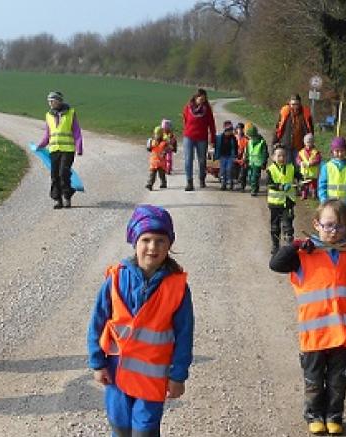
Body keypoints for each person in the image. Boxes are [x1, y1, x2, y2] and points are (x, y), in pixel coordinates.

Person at [269, 199, 346, 435]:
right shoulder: (304, 255)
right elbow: (276, 264)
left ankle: (334, 415)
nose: (334, 231)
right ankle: (314, 415)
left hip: (343, 334)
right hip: (314, 335)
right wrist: (296, 245)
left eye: (340, 227)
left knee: (339, 381)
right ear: (316, 224)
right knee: (314, 381)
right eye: (328, 225)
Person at [88, 205, 195, 436]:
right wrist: (97, 363)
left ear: (169, 245)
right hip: (116, 375)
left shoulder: (177, 288)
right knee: (119, 427)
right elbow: (97, 322)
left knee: (145, 431)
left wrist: (178, 376)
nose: (152, 247)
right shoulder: (116, 279)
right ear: (134, 241)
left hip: (152, 379)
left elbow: (185, 335)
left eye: (160, 241)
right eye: (146, 239)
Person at [36, 91, 84, 209]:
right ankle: (58, 200)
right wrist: (40, 145)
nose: (50, 103)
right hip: (54, 150)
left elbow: (77, 132)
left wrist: (79, 147)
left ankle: (67, 196)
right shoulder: (48, 115)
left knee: (63, 173)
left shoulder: (71, 113)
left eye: (52, 101)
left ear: (59, 101)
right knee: (54, 175)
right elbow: (48, 134)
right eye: (49, 101)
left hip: (68, 150)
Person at [180, 89, 216, 191]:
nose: (202, 100)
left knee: (201, 160)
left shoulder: (207, 109)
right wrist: (186, 130)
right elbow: (185, 119)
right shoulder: (188, 107)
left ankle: (201, 179)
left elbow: (211, 124)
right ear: (196, 97)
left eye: (204, 99)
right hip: (189, 137)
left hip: (202, 138)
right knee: (188, 159)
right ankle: (189, 182)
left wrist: (212, 139)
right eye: (201, 98)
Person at [267, 148, 301, 254]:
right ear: (273, 157)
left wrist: (302, 180)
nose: (282, 158)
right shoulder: (270, 169)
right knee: (275, 226)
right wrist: (281, 187)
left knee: (288, 225)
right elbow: (269, 184)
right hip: (275, 203)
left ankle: (288, 247)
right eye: (279, 156)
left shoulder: (291, 167)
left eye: (284, 156)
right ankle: (275, 245)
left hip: (288, 202)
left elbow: (299, 176)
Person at [317, 137, 346, 209]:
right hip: (329, 204)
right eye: (337, 151)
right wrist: (323, 200)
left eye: (342, 151)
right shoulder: (326, 167)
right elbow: (322, 186)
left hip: (345, 205)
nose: (339, 154)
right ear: (332, 152)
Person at [245, 124, 269, 197]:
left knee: (254, 177)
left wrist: (264, 162)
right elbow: (248, 152)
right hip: (251, 162)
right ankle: (255, 187)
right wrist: (246, 159)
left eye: (249, 136)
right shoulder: (249, 142)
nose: (249, 138)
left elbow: (265, 153)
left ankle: (254, 190)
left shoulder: (262, 142)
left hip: (258, 163)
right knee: (250, 176)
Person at [296, 133, 322, 201]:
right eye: (307, 142)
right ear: (304, 143)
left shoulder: (316, 152)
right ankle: (304, 195)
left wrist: (311, 163)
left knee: (313, 185)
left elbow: (318, 159)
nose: (309, 144)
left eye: (310, 142)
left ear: (313, 142)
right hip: (304, 173)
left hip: (313, 173)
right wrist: (300, 163)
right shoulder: (301, 152)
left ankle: (314, 194)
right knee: (304, 185)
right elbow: (298, 159)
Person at [214, 120, 238, 191]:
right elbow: (216, 146)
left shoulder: (233, 138)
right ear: (225, 130)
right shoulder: (219, 137)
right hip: (222, 156)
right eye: (228, 130)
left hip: (230, 156)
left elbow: (235, 147)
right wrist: (216, 155)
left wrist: (235, 155)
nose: (230, 132)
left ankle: (230, 183)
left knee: (229, 169)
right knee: (223, 170)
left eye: (231, 130)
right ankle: (223, 184)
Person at [146, 126, 169, 191]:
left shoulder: (164, 143)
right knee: (152, 174)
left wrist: (165, 150)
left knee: (161, 174)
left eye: (158, 134)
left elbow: (168, 149)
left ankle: (163, 183)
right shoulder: (152, 142)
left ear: (161, 135)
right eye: (155, 134)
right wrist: (149, 145)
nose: (156, 136)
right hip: (154, 161)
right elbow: (149, 149)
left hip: (161, 162)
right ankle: (150, 184)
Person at [235, 122, 250, 192]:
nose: (240, 130)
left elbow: (247, 150)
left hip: (243, 157)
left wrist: (244, 158)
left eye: (241, 129)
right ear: (236, 129)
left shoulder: (246, 139)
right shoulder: (234, 138)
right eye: (238, 129)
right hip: (235, 156)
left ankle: (242, 186)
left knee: (243, 171)